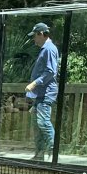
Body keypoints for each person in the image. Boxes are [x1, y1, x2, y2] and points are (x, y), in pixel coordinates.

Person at [24, 22, 60, 161]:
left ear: (41, 34)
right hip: (40, 94)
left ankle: (53, 154)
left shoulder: (49, 49)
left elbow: (51, 71)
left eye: (34, 36)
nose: (34, 39)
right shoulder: (45, 49)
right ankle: (39, 154)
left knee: (43, 122)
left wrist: (34, 83)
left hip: (46, 93)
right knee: (36, 124)